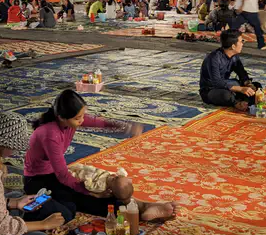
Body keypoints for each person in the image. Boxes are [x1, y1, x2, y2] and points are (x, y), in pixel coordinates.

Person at [23, 89, 177, 220]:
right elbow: (63, 175)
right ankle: (139, 210)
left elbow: (100, 123)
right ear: (62, 117)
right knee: (85, 199)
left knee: (105, 185)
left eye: (83, 116)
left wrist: (126, 127)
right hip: (38, 181)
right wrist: (89, 191)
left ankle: (145, 205)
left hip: (55, 174)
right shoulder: (50, 134)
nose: (82, 120)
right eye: (78, 118)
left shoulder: (69, 120)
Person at [199, 29, 261, 110]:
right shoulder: (214, 58)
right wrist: (241, 89)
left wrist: (248, 84)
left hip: (227, 85)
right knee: (225, 95)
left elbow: (242, 73)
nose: (242, 44)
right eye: (241, 41)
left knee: (257, 86)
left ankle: (245, 102)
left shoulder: (234, 56)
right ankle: (236, 103)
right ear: (233, 46)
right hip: (211, 90)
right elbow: (217, 82)